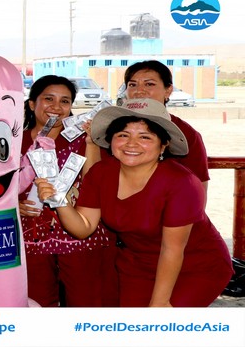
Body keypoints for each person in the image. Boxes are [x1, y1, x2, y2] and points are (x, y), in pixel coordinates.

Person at [35, 98, 233, 307]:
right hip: (137, 265)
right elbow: (83, 228)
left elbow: (172, 250)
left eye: (145, 137)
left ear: (163, 145)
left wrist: (159, 304)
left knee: (162, 330)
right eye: (123, 135)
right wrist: (59, 200)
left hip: (195, 265)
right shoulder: (101, 173)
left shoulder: (182, 182)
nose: (131, 144)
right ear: (111, 141)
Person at [19, 75, 113, 307]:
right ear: (32, 104)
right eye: (48, 99)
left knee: (85, 303)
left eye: (65, 101)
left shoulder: (83, 138)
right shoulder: (13, 141)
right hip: (31, 237)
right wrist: (13, 204)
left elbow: (93, 181)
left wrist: (92, 143)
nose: (56, 107)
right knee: (37, 303)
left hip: (78, 233)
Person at [123, 60, 210, 193]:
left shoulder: (187, 134)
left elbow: (198, 189)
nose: (139, 91)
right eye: (132, 85)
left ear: (168, 90)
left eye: (149, 84)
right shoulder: (112, 128)